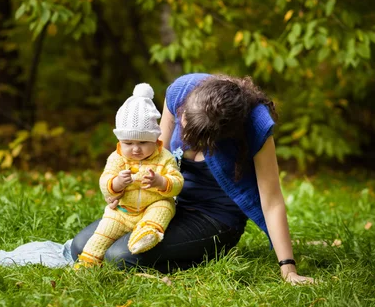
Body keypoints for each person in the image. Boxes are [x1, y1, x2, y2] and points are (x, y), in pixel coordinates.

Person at [71, 73, 315, 284]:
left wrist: (288, 269)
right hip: (164, 203)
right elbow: (153, 161)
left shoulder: (255, 125)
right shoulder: (180, 93)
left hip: (214, 217)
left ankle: (203, 253)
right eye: (183, 120)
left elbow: (271, 201)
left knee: (119, 257)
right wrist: (122, 190)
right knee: (80, 246)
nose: (182, 132)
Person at [75, 83, 184, 267]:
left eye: (143, 142)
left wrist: (160, 181)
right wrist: (116, 183)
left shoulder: (164, 157)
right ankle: (88, 262)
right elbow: (105, 182)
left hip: (153, 204)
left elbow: (177, 181)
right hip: (123, 210)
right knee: (103, 231)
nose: (135, 149)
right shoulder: (117, 158)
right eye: (128, 142)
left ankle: (148, 233)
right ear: (120, 141)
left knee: (164, 207)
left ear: (155, 139)